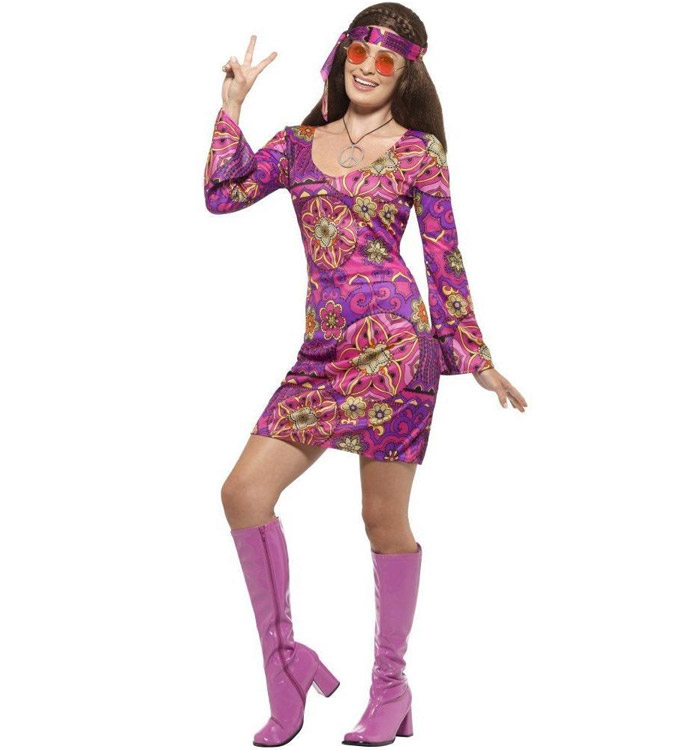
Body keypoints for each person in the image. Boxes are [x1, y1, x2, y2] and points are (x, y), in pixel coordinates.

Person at [203, 4, 528, 746]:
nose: (369, 69)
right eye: (360, 54)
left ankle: (390, 686)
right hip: (320, 357)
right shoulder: (297, 144)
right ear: (342, 56)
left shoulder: (418, 153)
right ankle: (285, 668)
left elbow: (444, 257)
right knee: (242, 494)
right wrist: (232, 108)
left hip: (395, 353)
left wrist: (474, 356)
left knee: (381, 520)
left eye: (386, 61)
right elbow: (222, 193)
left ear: (405, 73)